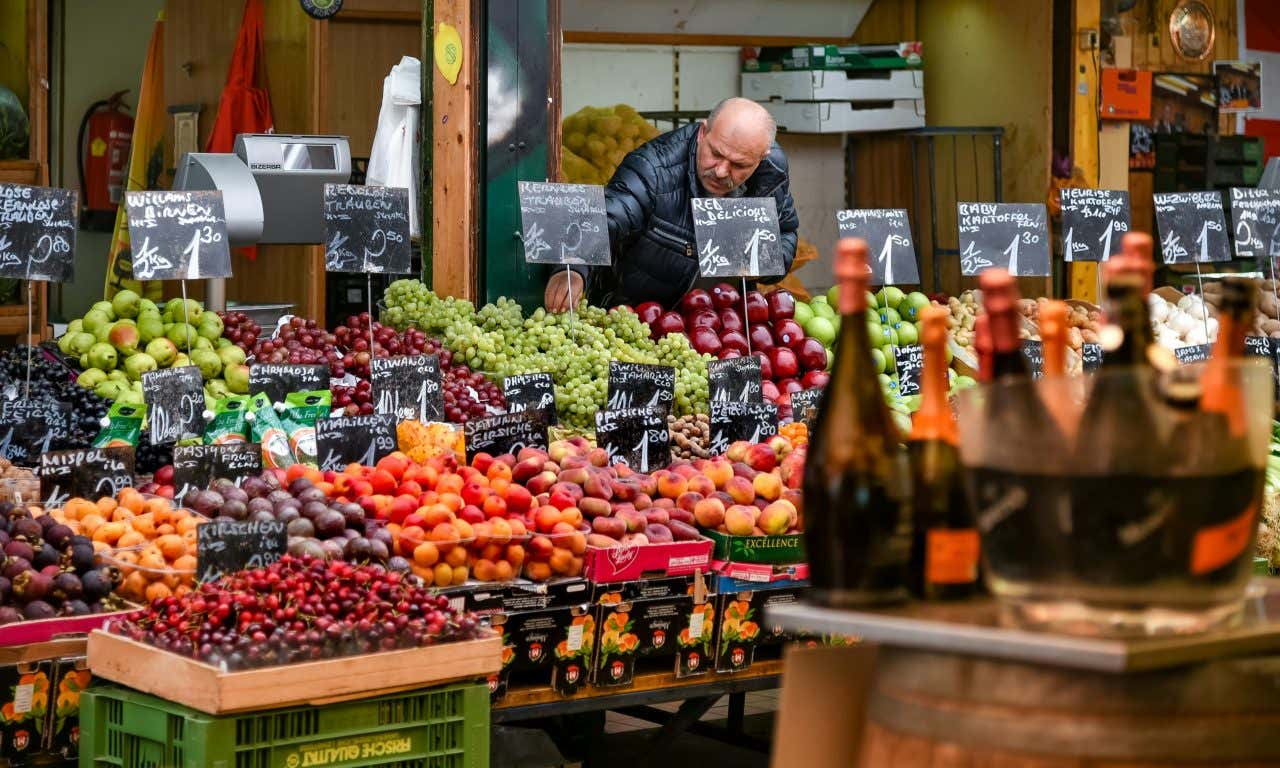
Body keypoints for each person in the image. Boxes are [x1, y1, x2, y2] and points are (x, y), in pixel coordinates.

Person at [544, 97, 800, 311]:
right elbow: (607, 217)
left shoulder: (772, 170)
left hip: (721, 325)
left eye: (739, 165)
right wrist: (573, 267)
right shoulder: (654, 167)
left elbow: (785, 232)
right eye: (716, 154)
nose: (721, 171)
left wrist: (761, 265)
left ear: (760, 158)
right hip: (646, 317)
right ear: (703, 132)